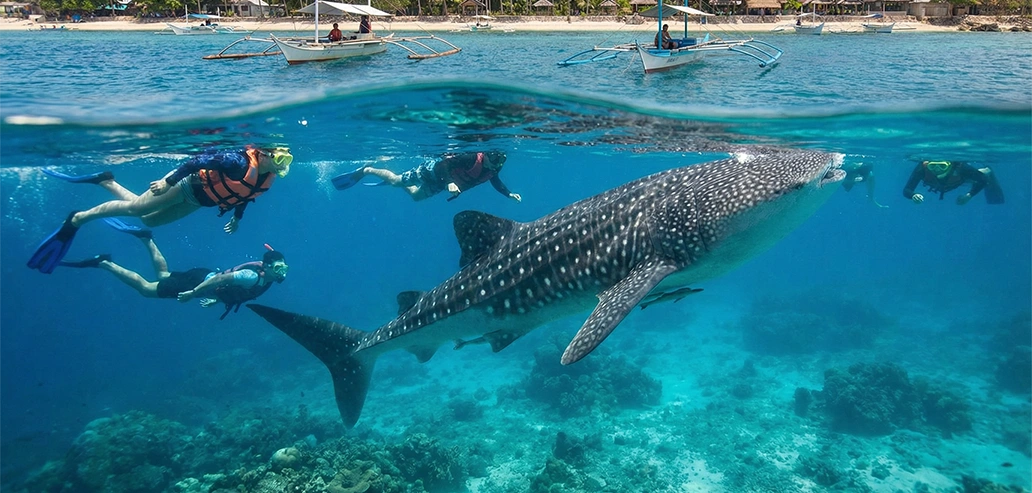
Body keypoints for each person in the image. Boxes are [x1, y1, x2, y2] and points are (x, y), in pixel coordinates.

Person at [26, 146, 292, 274]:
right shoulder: (237, 161)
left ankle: (106, 181)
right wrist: (168, 182)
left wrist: (237, 217)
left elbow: (244, 195)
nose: (282, 164)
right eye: (280, 157)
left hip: (197, 202)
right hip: (185, 185)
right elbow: (197, 161)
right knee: (135, 209)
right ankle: (78, 218)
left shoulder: (264, 179)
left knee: (149, 220)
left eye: (287, 159)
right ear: (263, 153)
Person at [60, 218, 289, 320]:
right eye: (279, 267)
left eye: (284, 267)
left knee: (163, 274)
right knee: (147, 289)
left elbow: (229, 288)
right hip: (199, 282)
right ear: (267, 266)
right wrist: (193, 292)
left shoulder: (266, 279)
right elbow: (221, 280)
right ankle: (104, 263)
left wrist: (217, 299)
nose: (283, 272)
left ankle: (146, 238)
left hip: (202, 275)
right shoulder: (250, 276)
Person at [331, 150, 522, 203]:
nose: (496, 164)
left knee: (416, 197)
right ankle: (368, 170)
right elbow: (444, 165)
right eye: (493, 159)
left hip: (442, 184)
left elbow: (495, 180)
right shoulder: (471, 157)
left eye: (500, 162)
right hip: (432, 172)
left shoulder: (492, 168)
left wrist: (508, 194)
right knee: (396, 182)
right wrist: (450, 182)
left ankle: (395, 179)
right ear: (486, 155)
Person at [902, 160, 1004, 205]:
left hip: (961, 179)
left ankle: (986, 170)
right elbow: (907, 190)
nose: (937, 170)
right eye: (932, 166)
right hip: (946, 183)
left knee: (983, 175)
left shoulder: (961, 168)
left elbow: (983, 180)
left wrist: (969, 196)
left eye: (942, 166)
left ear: (950, 165)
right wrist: (913, 195)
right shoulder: (922, 169)